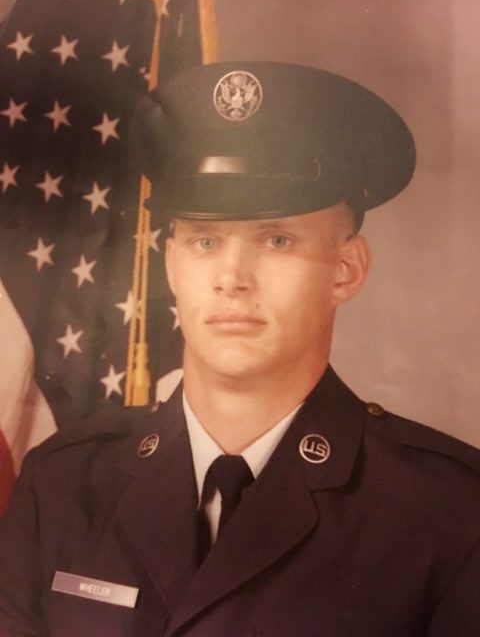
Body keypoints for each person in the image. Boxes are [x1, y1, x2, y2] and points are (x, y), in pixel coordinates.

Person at [1, 61, 479, 637]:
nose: (231, 276)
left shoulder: (449, 513)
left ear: (346, 270)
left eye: (276, 239)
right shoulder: (62, 485)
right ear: (171, 263)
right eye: (204, 240)